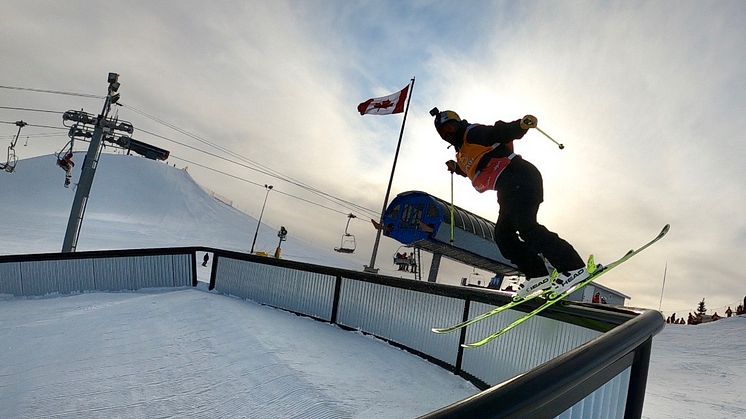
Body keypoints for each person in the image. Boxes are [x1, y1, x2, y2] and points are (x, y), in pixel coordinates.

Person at [430, 108, 590, 299]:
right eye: (444, 132)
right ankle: (537, 275)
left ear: (459, 123)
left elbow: (496, 133)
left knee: (526, 227)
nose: (449, 133)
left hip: (521, 178)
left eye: (451, 127)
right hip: (507, 189)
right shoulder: (462, 152)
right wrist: (456, 168)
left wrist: (520, 126)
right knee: (503, 236)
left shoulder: (471, 133)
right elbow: (475, 167)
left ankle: (573, 267)